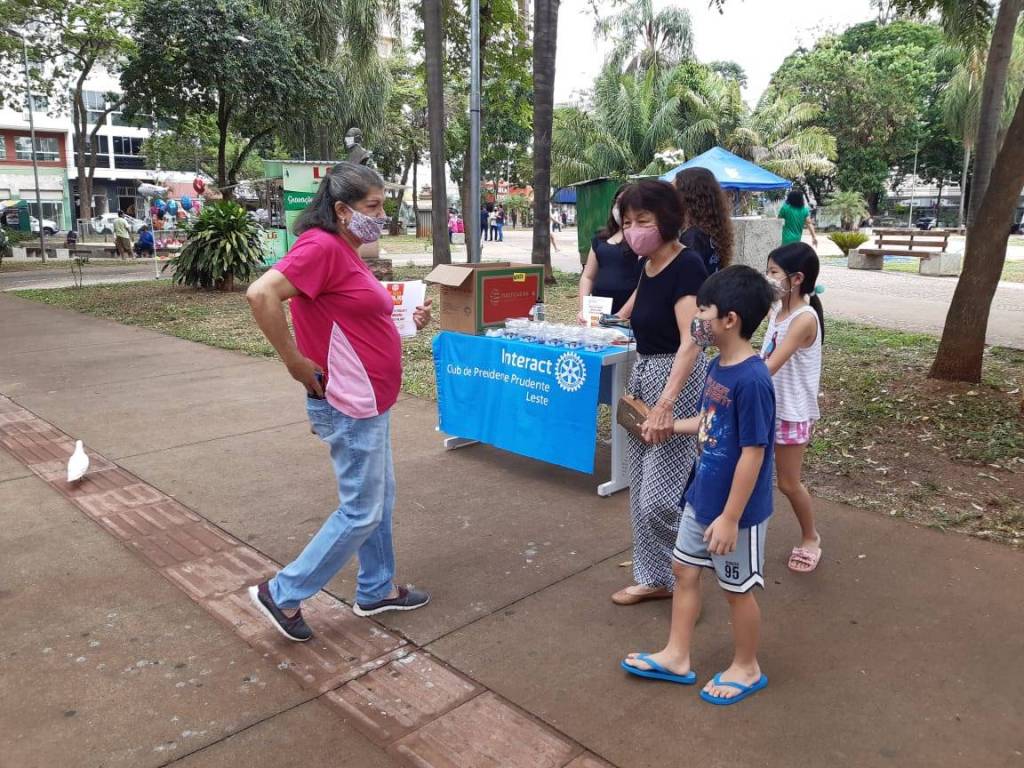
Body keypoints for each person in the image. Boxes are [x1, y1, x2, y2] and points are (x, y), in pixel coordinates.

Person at [245, 162, 432, 642]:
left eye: (383, 205)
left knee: (379, 499)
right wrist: (294, 362)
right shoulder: (321, 247)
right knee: (362, 509)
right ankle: (283, 593)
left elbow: (352, 318)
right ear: (343, 210)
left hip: (370, 398)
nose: (382, 215)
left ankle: (376, 587)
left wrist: (407, 322)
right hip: (349, 402)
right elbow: (261, 294)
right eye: (374, 206)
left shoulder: (346, 250)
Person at [622, 265, 777, 706]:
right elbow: (710, 423)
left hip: (736, 513)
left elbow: (753, 453)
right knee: (683, 571)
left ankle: (747, 667)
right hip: (701, 497)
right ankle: (676, 656)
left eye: (704, 311)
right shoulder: (716, 367)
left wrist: (730, 517)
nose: (697, 320)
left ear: (730, 319)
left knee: (736, 591)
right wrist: (671, 426)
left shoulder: (753, 380)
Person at [611, 179, 709, 607]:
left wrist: (667, 402)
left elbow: (694, 339)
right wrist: (615, 320)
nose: (633, 230)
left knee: (659, 498)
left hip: (676, 381)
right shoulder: (648, 263)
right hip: (644, 372)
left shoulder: (687, 266)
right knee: (639, 489)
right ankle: (654, 577)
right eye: (627, 222)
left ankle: (691, 568)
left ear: (666, 220)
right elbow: (639, 306)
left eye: (643, 220)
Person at [762, 243, 824, 573]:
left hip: (789, 412)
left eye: (774, 272)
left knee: (788, 483)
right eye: (767, 271)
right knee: (749, 471)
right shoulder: (777, 309)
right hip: (767, 405)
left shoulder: (804, 319)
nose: (768, 278)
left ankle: (811, 537)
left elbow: (770, 365)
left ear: (796, 279)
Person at [577, 185, 641, 321]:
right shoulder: (600, 238)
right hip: (598, 311)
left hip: (629, 315)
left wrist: (621, 316)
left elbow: (644, 284)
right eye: (619, 201)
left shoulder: (643, 241)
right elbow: (587, 277)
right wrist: (583, 310)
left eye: (628, 201)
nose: (621, 206)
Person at [674, 167, 734, 274]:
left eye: (674, 191)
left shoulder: (692, 237)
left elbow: (688, 276)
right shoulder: (712, 229)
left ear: (687, 196)